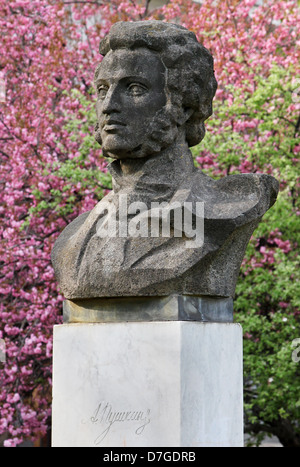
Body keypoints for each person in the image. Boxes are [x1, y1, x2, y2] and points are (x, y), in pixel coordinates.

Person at [51, 21, 278, 300]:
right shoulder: (72, 241)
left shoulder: (229, 207)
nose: (109, 105)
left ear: (183, 105)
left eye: (134, 88)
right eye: (102, 89)